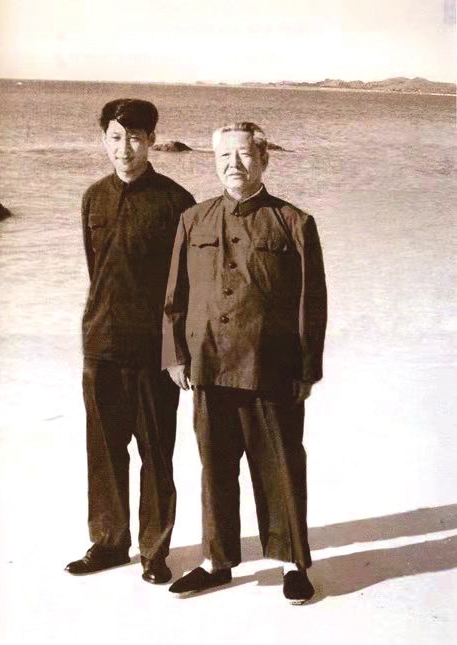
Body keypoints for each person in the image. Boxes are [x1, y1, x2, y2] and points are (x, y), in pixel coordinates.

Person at [162, 122, 327, 603]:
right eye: (223, 156)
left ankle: (293, 563)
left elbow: (312, 303)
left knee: (282, 466)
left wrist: (307, 370)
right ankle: (216, 562)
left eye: (244, 154)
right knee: (214, 467)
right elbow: (174, 296)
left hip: (270, 368)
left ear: (264, 159)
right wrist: (174, 356)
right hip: (208, 364)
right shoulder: (193, 219)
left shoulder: (294, 222)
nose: (233, 164)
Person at [65, 99, 195, 584]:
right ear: (104, 140)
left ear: (152, 141)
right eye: (116, 138)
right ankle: (109, 542)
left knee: (156, 453)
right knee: (103, 450)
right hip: (100, 343)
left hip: (154, 351)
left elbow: (185, 285)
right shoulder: (93, 197)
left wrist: (177, 352)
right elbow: (94, 268)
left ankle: (154, 552)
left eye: (135, 138)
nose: (125, 149)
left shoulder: (177, 202)